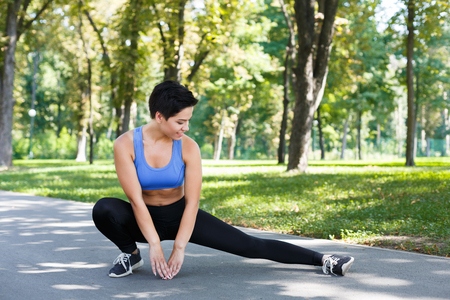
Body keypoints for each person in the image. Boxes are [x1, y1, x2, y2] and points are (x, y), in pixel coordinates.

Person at [92, 80, 354, 280]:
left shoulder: (188, 147)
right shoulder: (125, 144)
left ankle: (324, 260)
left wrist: (179, 247)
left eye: (188, 121)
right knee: (104, 209)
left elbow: (193, 202)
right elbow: (136, 201)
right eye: (180, 122)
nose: (186, 128)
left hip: (182, 215)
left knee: (250, 245)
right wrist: (154, 246)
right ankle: (131, 255)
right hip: (143, 217)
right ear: (159, 116)